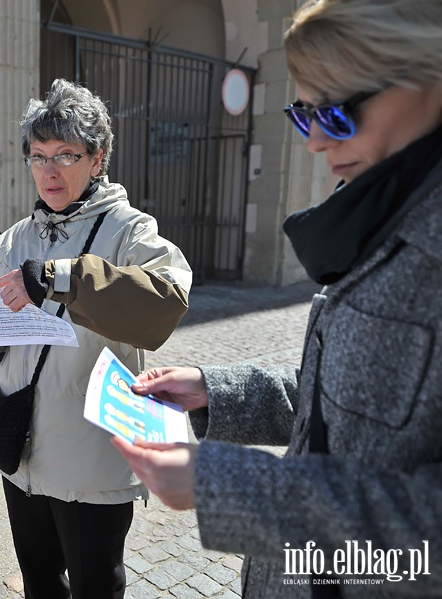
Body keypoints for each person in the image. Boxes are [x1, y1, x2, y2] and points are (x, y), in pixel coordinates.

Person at [111, 1, 442, 596]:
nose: (315, 141)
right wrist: (216, 388)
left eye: (338, 111)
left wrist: (235, 489)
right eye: (305, 112)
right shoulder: (389, 212)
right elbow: (338, 407)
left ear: (429, 77)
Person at [0, 79, 192, 599]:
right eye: (37, 156)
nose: (48, 171)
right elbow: (5, 338)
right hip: (20, 443)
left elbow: (165, 303)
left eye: (66, 155)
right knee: (39, 582)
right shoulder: (14, 238)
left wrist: (61, 276)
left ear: (98, 159)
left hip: (90, 447)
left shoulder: (130, 229)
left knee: (96, 585)